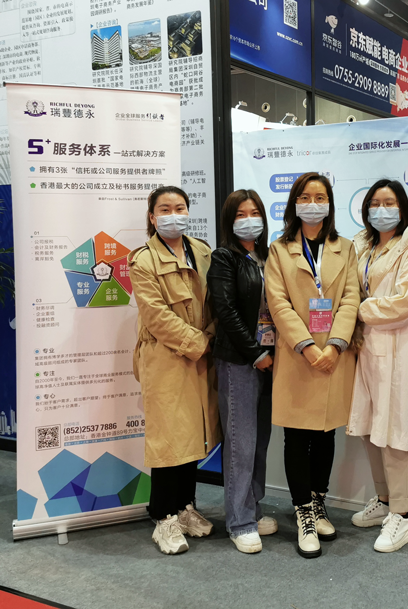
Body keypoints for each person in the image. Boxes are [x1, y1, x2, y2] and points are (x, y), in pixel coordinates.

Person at [264, 172, 360, 559]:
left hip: (334, 356)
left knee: (325, 434)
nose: (313, 203)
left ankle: (318, 502)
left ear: (330, 204)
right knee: (296, 437)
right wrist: (306, 346)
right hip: (297, 356)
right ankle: (303, 509)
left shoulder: (345, 248)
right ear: (294, 203)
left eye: (320, 197)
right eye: (305, 196)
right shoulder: (279, 249)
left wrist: (335, 345)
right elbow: (278, 303)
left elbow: (351, 298)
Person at [128, 186, 221, 555]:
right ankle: (163, 518)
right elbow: (156, 316)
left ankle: (185, 508)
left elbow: (215, 303)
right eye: (164, 209)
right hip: (166, 359)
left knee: (192, 436)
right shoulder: (143, 261)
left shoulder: (203, 252)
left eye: (179, 208)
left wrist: (210, 336)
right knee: (168, 440)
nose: (173, 215)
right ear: (152, 217)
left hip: (201, 357)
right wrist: (199, 343)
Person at [349, 179, 408, 553]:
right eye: (375, 203)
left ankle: (403, 514)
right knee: (369, 426)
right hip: (364, 347)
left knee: (397, 429)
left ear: (402, 208)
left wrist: (357, 310)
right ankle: (384, 500)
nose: (381, 209)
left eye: (389, 202)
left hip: (398, 348)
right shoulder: (361, 245)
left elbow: (407, 303)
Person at [207, 189, 278, 554]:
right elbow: (226, 310)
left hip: (273, 358)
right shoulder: (225, 258)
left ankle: (254, 507)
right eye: (240, 214)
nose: (249, 219)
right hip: (241, 360)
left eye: (254, 213)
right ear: (229, 221)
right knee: (241, 442)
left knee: (260, 440)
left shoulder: (268, 256)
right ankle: (239, 521)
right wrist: (255, 354)